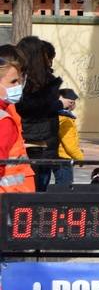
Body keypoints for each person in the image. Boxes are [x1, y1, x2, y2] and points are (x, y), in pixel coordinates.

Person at [16, 37, 61, 191]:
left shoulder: (42, 81)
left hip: (40, 143)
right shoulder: (24, 81)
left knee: (39, 186)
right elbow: (33, 107)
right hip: (32, 143)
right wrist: (59, 104)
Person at [0, 44, 36, 194]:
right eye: (13, 82)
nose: (18, 86)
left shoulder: (9, 108)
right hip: (11, 198)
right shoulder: (5, 119)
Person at [55, 88, 83, 187]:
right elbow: (69, 144)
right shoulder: (66, 120)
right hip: (65, 158)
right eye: (72, 102)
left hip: (57, 155)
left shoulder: (57, 116)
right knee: (65, 188)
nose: (73, 104)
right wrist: (80, 158)